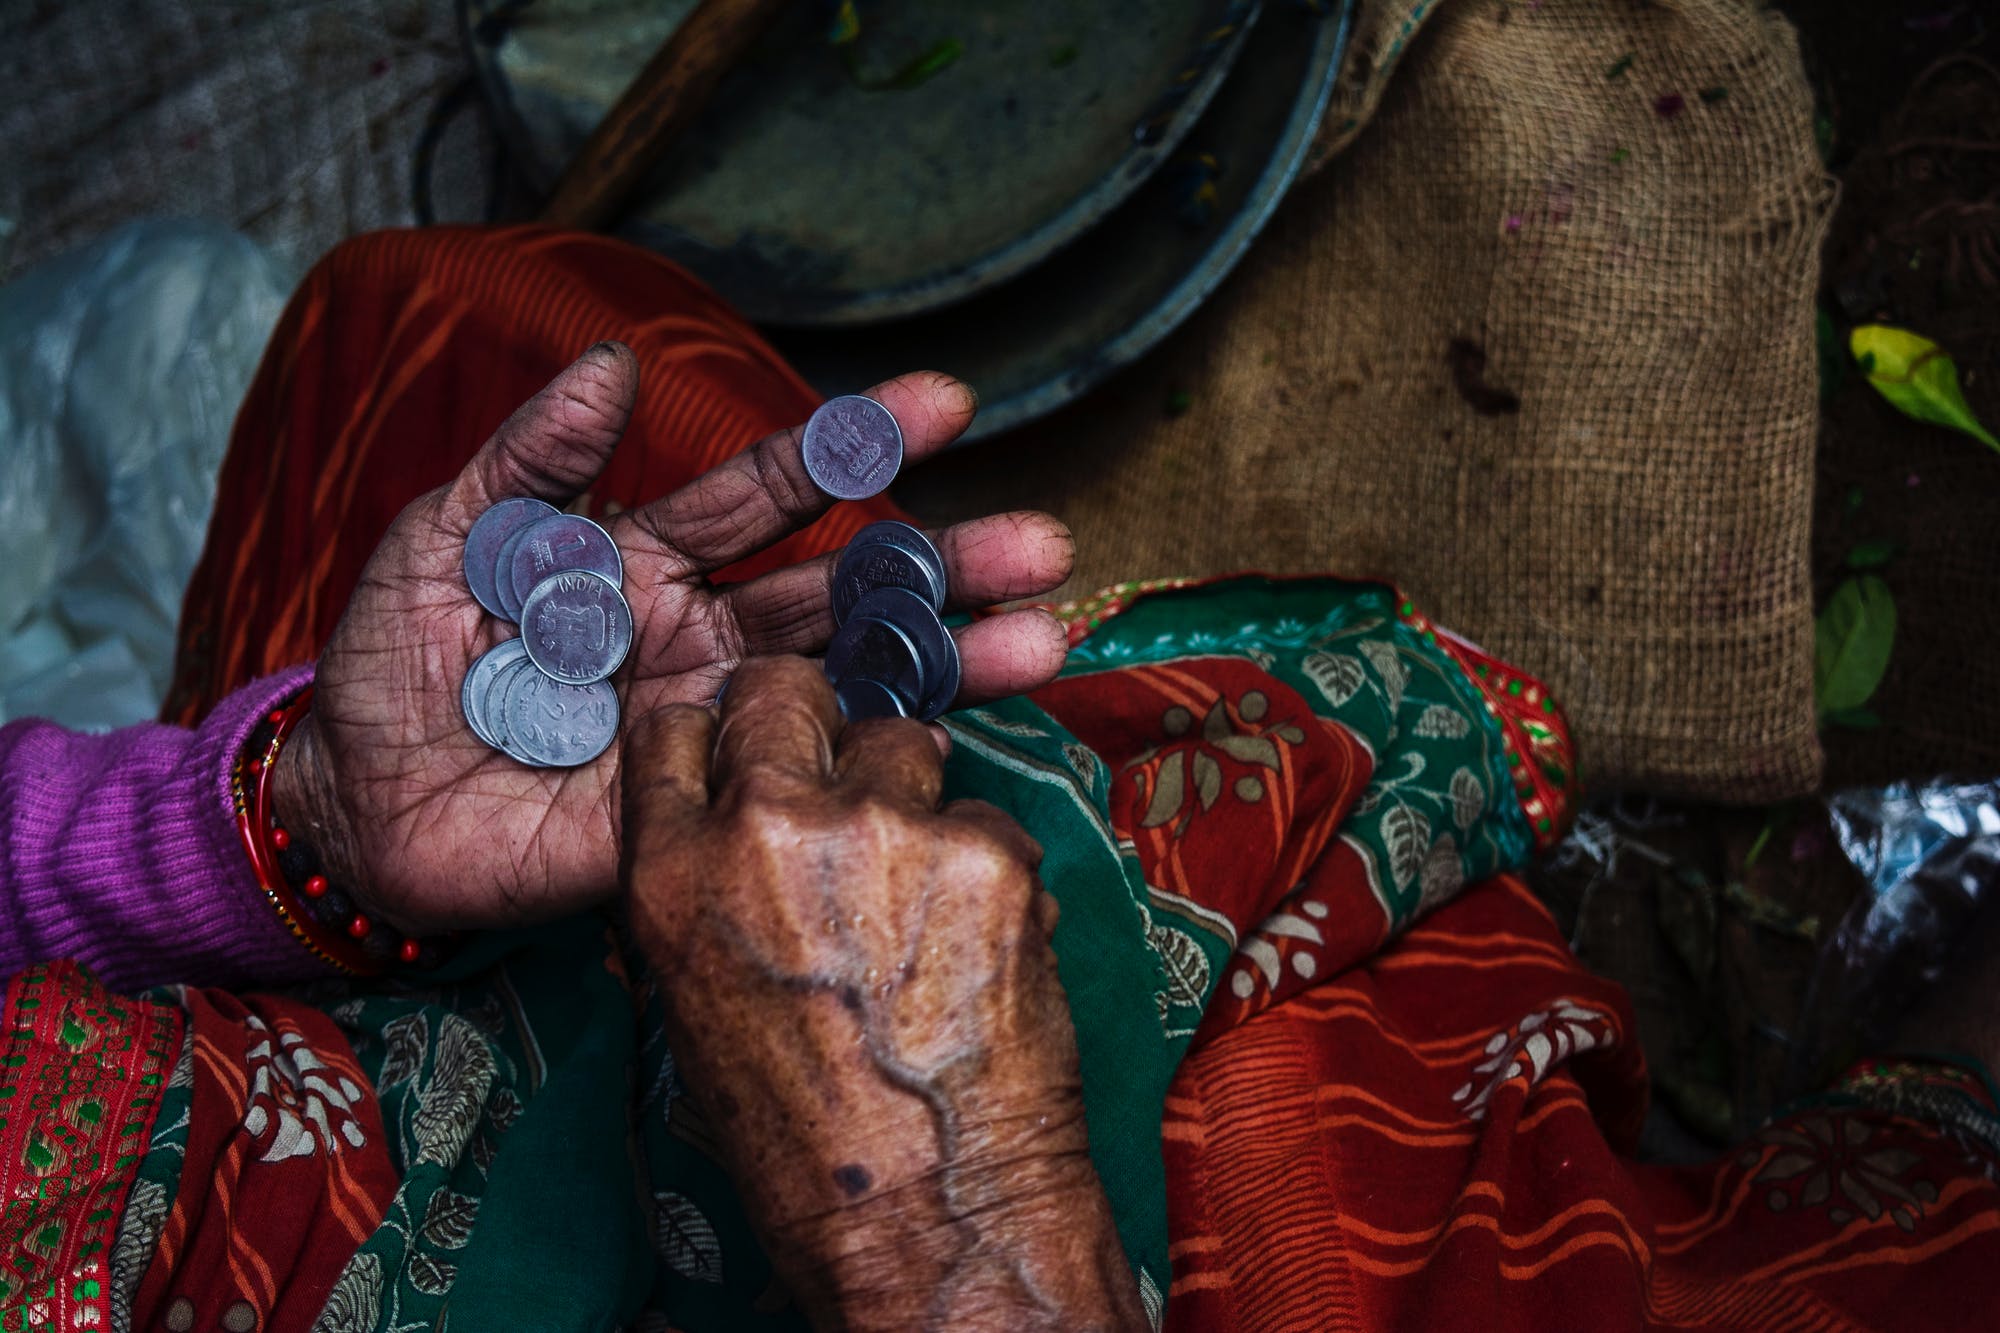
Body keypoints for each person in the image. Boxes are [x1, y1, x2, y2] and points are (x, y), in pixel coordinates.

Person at [3, 226, 1996, 1333]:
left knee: (470, 323)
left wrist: (289, 834)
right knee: (1314, 1150)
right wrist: (944, 1232)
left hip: (263, 1035)